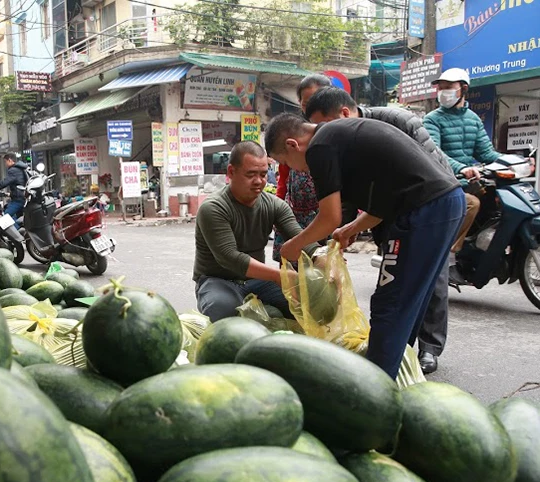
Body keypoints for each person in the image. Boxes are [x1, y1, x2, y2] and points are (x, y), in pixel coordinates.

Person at [265, 114, 465, 379]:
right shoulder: (340, 136)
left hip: (424, 210)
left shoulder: (319, 148)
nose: (296, 171)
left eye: (285, 163)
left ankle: (375, 387)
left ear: (292, 144)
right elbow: (383, 202)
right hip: (447, 203)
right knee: (412, 300)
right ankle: (400, 374)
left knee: (390, 303)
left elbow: (329, 217)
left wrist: (292, 246)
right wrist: (350, 229)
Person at [304, 86, 454, 375]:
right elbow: (342, 202)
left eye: (321, 125)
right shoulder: (340, 140)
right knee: (398, 290)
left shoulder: (397, 121)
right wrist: (335, 242)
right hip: (390, 215)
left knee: (424, 286)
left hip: (426, 208)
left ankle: (424, 351)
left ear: (344, 113)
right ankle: (399, 358)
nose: (317, 134)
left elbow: (429, 168)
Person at [193, 141, 319, 322]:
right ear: (231, 172)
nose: (259, 181)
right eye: (250, 174)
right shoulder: (213, 208)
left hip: (257, 280)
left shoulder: (275, 205)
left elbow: (299, 237)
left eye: (263, 174)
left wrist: (321, 255)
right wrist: (279, 276)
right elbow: (230, 257)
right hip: (217, 280)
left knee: (306, 306)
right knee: (224, 311)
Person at [423, 68, 492, 285]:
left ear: (463, 89)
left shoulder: (473, 119)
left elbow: (487, 153)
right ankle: (448, 258)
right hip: (443, 183)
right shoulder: (432, 119)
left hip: (467, 181)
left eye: (448, 88)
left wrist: (515, 161)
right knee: (470, 204)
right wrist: (461, 168)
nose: (443, 92)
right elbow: (434, 152)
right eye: (440, 88)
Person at [270, 74, 332, 261]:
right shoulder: (294, 132)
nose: (311, 107)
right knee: (291, 272)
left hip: (323, 215)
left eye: (316, 100)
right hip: (294, 214)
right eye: (306, 103)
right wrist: (278, 207)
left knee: (322, 270)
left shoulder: (334, 136)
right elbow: (283, 179)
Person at [0, 152, 29, 217]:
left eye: (5, 162)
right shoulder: (21, 168)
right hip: (22, 197)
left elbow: (3, 183)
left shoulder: (13, 170)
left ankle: (15, 227)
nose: (5, 164)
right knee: (15, 217)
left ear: (10, 160)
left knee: (5, 218)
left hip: (18, 200)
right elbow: (18, 184)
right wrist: (9, 194)